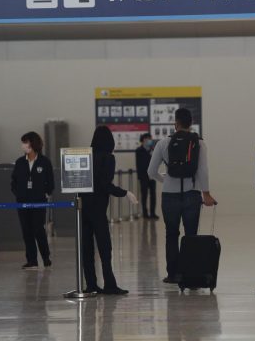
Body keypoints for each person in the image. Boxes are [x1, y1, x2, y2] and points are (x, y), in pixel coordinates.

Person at [148, 108, 217, 284]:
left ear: (176, 123)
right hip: (191, 195)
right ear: (191, 123)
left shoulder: (163, 143)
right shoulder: (199, 143)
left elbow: (151, 172)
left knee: (171, 234)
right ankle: (189, 274)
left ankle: (172, 274)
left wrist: (165, 180)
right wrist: (206, 194)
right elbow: (203, 171)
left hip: (169, 196)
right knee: (190, 236)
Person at [81, 125, 138, 295]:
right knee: (105, 247)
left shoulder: (87, 156)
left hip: (83, 206)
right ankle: (109, 284)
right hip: (98, 207)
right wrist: (125, 193)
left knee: (87, 247)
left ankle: (91, 284)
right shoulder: (108, 158)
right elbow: (105, 185)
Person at [11, 132, 54, 270]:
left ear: (33, 144)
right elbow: (14, 182)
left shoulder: (44, 162)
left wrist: (46, 193)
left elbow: (51, 182)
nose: (23, 145)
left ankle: (46, 257)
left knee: (38, 229)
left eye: (26, 142)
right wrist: (18, 194)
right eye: (23, 142)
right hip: (23, 202)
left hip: (39, 201)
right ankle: (31, 260)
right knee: (26, 230)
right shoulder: (19, 162)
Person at [135, 133, 158, 219]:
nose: (149, 140)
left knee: (153, 195)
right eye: (147, 139)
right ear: (143, 140)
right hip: (144, 176)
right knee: (144, 195)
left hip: (152, 176)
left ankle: (153, 213)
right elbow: (139, 164)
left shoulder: (152, 150)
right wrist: (140, 176)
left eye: (150, 139)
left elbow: (155, 162)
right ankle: (145, 213)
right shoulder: (139, 150)